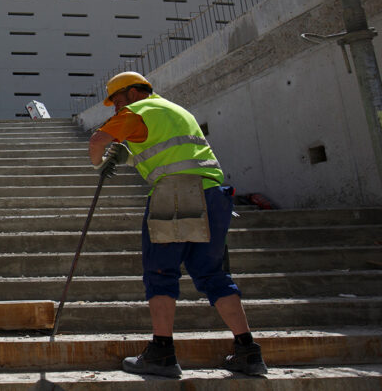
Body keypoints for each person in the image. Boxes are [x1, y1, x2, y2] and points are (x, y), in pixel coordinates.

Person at [88, 72, 266, 379]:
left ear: (131, 93)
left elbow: (97, 141)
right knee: (214, 274)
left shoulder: (137, 111)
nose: (116, 109)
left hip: (174, 195)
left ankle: (162, 353)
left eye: (116, 101)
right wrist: (127, 159)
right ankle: (248, 351)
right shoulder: (176, 110)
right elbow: (168, 151)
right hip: (213, 195)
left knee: (160, 272)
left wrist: (100, 163)